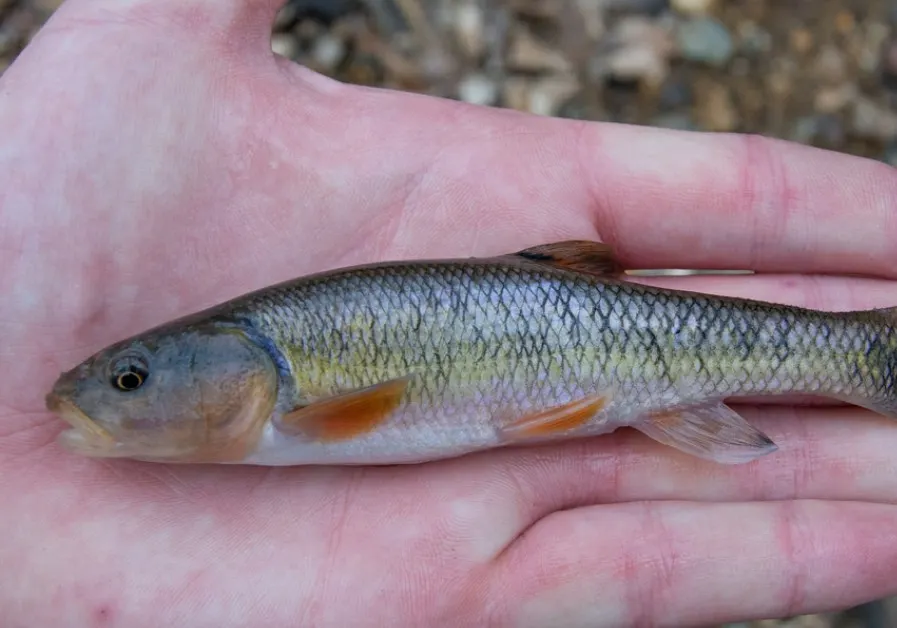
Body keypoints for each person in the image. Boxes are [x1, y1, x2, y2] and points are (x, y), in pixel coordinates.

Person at [2, 0, 897, 625]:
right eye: (126, 380)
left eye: (130, 380)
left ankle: (865, 358)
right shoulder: (266, 383)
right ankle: (858, 357)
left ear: (222, 364)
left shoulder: (291, 393)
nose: (108, 396)